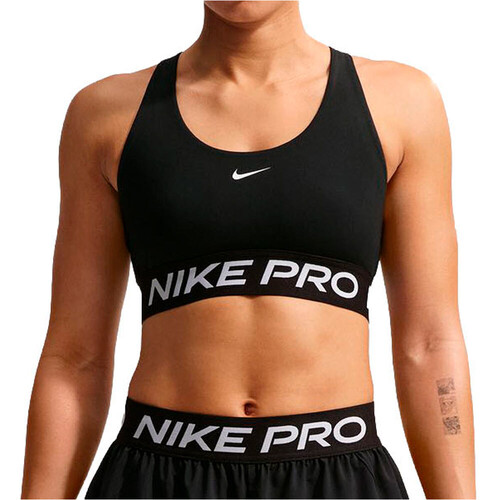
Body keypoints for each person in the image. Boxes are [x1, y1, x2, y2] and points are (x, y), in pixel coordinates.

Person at [21, 1, 475, 498]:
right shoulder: (107, 113)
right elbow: (75, 357)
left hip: (335, 477)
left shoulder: (399, 103)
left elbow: (429, 344)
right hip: (159, 477)